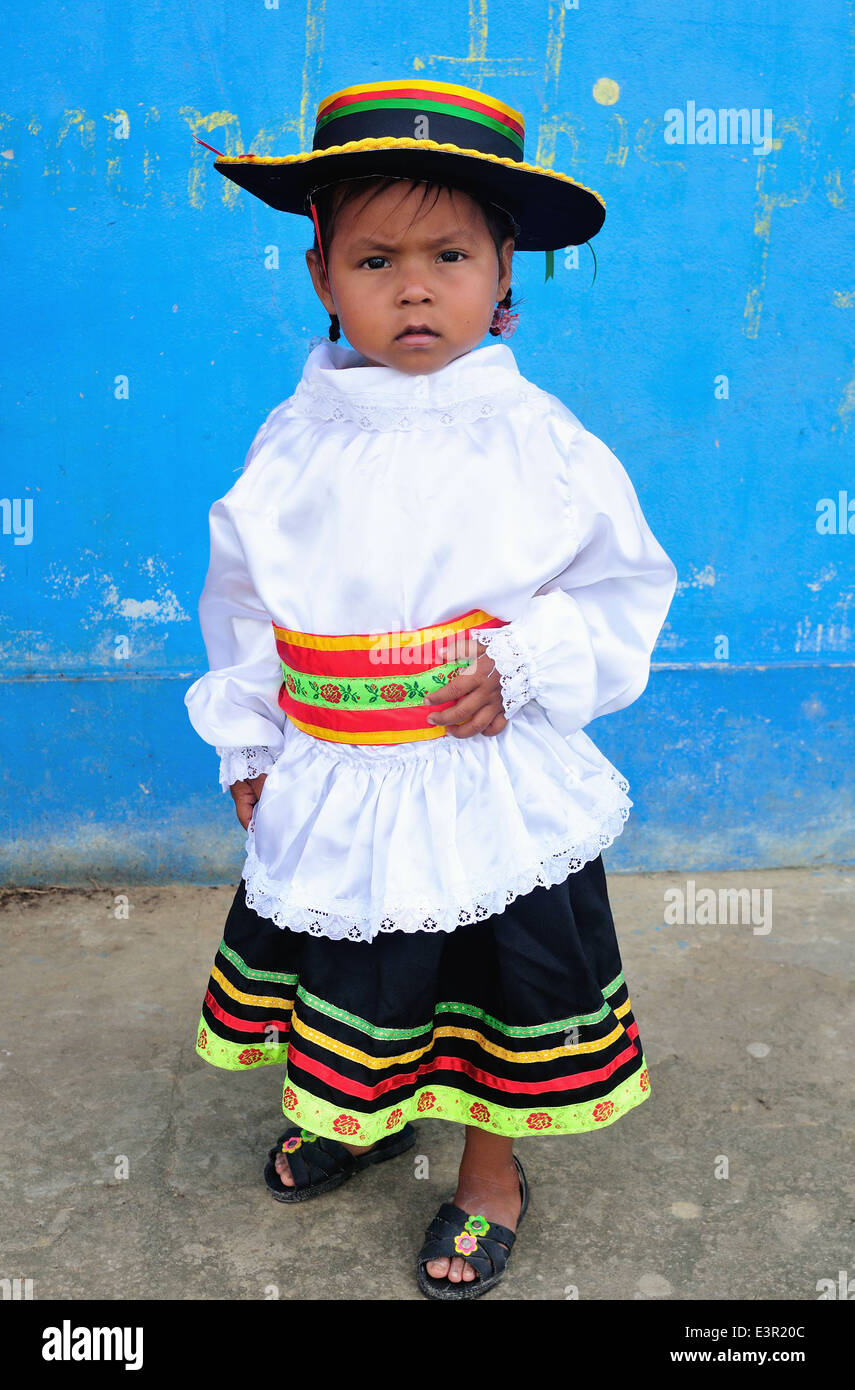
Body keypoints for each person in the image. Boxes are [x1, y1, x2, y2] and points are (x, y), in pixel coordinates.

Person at [185, 78, 678, 1300]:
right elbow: (245, 601)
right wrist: (248, 741)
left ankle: (489, 1171)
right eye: (374, 257)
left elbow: (622, 588)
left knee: (491, 983)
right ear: (320, 277)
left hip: (481, 777)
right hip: (338, 775)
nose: (413, 286)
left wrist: (527, 662)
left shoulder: (541, 442)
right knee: (354, 965)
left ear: (502, 268)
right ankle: (361, 1110)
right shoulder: (292, 437)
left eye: (449, 253)